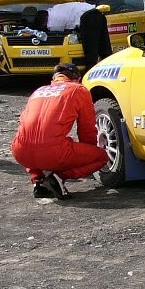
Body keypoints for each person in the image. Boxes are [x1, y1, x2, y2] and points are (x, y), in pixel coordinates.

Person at [10, 63, 108, 199]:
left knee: (34, 142)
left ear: (54, 78)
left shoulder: (39, 91)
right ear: (77, 79)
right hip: (52, 152)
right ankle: (57, 177)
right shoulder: (78, 90)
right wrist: (88, 153)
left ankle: (38, 180)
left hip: (20, 152)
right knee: (101, 157)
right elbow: (87, 128)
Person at [46, 1, 111, 68]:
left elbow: (59, 35)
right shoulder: (55, 8)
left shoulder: (53, 22)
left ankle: (89, 71)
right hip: (97, 12)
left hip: (88, 16)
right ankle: (109, 66)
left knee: (90, 47)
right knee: (104, 43)